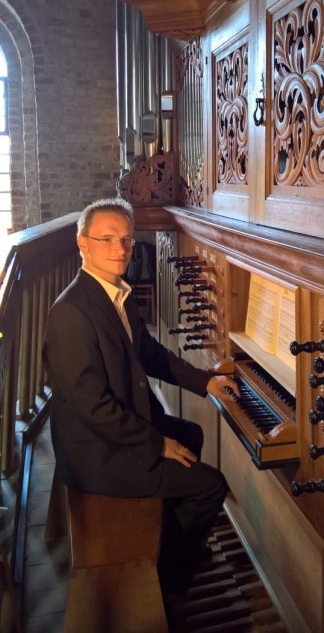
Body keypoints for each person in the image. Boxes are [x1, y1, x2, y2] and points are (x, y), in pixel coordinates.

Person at [42, 197, 240, 595]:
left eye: (127, 240)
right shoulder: (71, 313)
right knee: (210, 485)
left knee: (191, 435)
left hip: (116, 427)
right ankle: (168, 582)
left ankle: (169, 542)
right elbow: (93, 407)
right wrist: (156, 443)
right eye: (107, 239)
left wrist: (204, 382)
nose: (120, 249)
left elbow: (149, 354)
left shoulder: (117, 293)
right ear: (83, 244)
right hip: (95, 451)